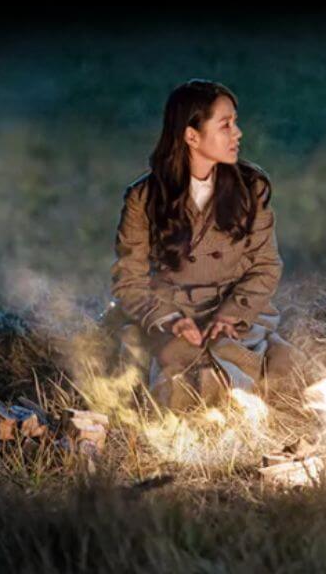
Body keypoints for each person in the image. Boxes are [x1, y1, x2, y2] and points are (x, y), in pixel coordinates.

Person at [110, 79, 295, 410]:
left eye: (235, 123)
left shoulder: (251, 188)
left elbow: (266, 265)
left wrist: (230, 315)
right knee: (171, 370)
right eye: (226, 125)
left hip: (237, 313)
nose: (237, 133)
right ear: (191, 135)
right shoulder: (144, 197)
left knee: (247, 365)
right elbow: (129, 278)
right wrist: (170, 319)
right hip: (174, 313)